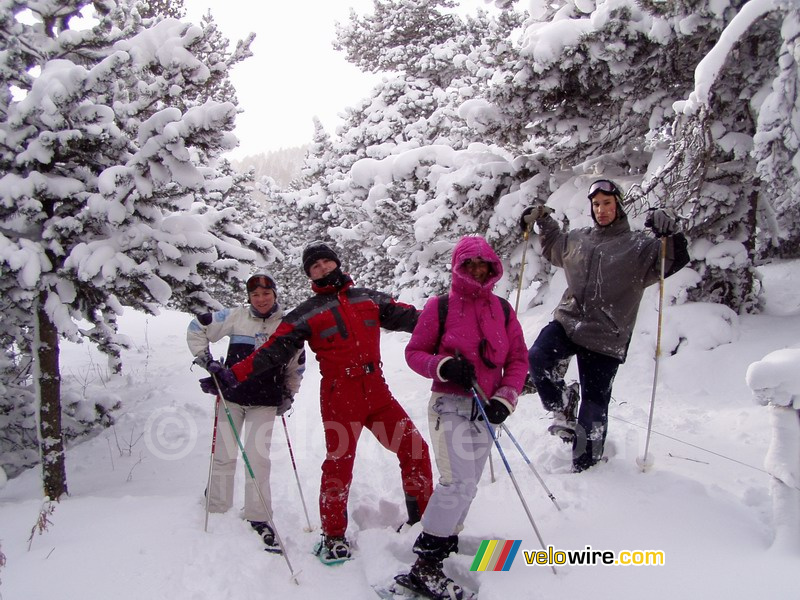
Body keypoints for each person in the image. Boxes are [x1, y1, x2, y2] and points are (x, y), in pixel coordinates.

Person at [209, 241, 434, 564]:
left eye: (326, 262)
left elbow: (415, 319)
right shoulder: (306, 313)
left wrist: (454, 322)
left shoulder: (368, 298)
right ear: (309, 275)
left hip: (377, 390)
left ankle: (421, 521)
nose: (323, 268)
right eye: (315, 267)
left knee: (415, 449)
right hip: (340, 395)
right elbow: (273, 351)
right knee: (339, 465)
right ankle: (333, 536)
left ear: (336, 263)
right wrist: (233, 375)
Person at [521, 178, 690, 472]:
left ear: (619, 205)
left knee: (595, 404)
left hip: (606, 335)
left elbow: (673, 259)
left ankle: (586, 466)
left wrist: (671, 232)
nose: (601, 210)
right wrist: (543, 220)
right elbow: (554, 246)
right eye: (596, 204)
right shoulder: (580, 239)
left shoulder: (638, 247)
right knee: (537, 357)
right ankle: (562, 405)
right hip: (569, 322)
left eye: (607, 203)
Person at [399, 235, 528, 599]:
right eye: (469, 264)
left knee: (468, 485)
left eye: (482, 264)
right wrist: (443, 366)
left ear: (492, 267)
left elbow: (518, 359)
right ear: (458, 267)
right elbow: (414, 353)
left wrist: (506, 398)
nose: (476, 271)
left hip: (485, 409)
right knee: (456, 482)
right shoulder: (439, 306)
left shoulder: (502, 310)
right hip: (448, 406)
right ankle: (426, 563)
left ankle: (446, 538)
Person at [187, 270, 305, 552]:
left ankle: (259, 515)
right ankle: (216, 506)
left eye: (266, 293)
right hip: (232, 398)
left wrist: (289, 394)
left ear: (275, 294)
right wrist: (208, 363)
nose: (261, 299)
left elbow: (296, 364)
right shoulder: (236, 316)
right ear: (248, 297)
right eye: (255, 295)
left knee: (258, 459)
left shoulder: (287, 325)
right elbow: (196, 328)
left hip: (264, 401)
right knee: (224, 454)